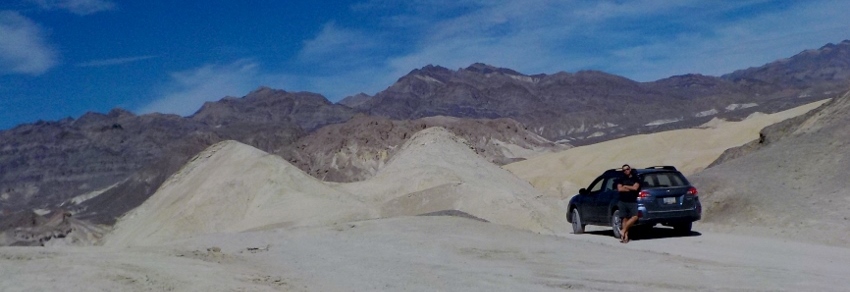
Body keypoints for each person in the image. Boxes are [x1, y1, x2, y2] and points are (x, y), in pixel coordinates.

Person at [616, 164, 640, 243]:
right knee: (624, 218)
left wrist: (626, 186)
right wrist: (631, 188)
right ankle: (625, 237)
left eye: (627, 169)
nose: (626, 171)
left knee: (635, 216)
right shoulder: (620, 178)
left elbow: (635, 188)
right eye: (624, 170)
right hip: (622, 201)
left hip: (632, 201)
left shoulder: (636, 178)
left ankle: (623, 230)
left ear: (630, 169)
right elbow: (620, 189)